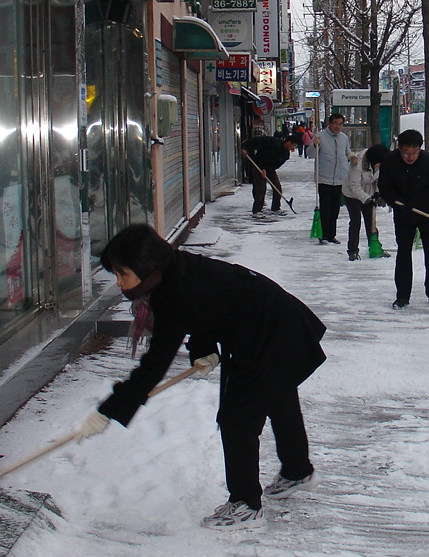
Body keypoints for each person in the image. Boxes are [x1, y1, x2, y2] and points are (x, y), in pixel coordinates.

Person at [75, 224, 326, 530]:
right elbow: (208, 307)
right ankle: (297, 471)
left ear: (147, 266)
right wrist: (202, 349)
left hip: (270, 335)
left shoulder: (173, 292)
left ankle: (245, 505)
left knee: (237, 419)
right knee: (278, 397)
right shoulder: (176, 270)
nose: (119, 283)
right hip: (272, 325)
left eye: (122, 274)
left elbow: (155, 364)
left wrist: (111, 408)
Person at [376, 129, 429, 309]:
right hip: (404, 215)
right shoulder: (390, 162)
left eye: (414, 153)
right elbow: (385, 188)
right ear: (399, 149)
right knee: (404, 253)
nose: (410, 157)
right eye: (406, 153)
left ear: (420, 149)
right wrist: (398, 203)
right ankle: (402, 296)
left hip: (428, 213)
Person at [341, 144, 389, 261]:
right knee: (355, 221)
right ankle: (353, 251)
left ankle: (374, 247)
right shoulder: (357, 164)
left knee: (371, 221)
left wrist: (377, 192)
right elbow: (354, 186)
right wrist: (366, 199)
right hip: (351, 194)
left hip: (368, 192)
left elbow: (377, 179)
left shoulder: (379, 163)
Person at [313, 112, 350, 245]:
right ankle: (323, 234)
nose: (337, 127)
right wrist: (314, 145)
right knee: (326, 207)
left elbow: (347, 153)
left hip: (339, 179)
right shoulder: (320, 136)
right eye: (335, 123)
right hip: (324, 178)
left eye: (340, 124)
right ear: (330, 123)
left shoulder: (344, 138)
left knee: (335, 208)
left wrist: (351, 158)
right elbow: (310, 153)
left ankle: (331, 234)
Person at [241, 132, 298, 216]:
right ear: (289, 142)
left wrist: (267, 170)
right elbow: (255, 141)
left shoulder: (285, 154)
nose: (293, 148)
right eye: (294, 145)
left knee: (277, 187)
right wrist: (245, 148)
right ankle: (257, 211)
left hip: (270, 169)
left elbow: (277, 165)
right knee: (261, 189)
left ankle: (276, 208)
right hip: (258, 165)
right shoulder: (272, 142)